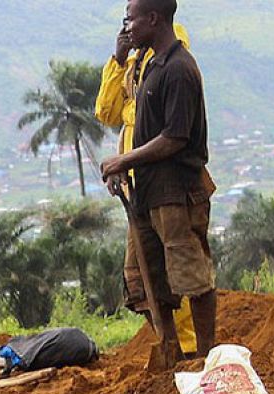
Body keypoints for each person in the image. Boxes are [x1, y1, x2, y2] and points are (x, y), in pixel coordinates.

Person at [99, 0, 218, 366]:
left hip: (176, 191)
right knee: (144, 280)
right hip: (147, 192)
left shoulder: (179, 69)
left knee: (191, 278)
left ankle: (205, 357)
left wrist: (123, 159)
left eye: (131, 19)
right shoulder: (149, 65)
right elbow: (112, 115)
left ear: (153, 19)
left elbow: (175, 138)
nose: (127, 26)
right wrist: (126, 167)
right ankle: (173, 352)